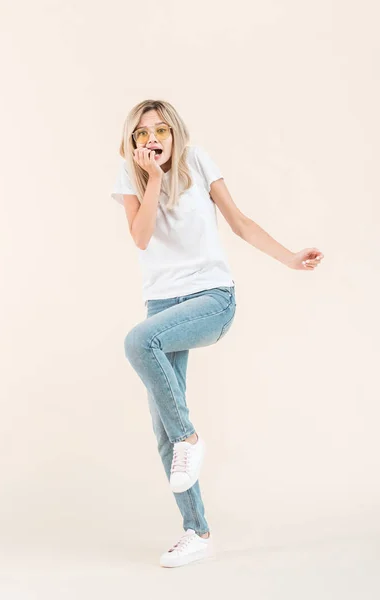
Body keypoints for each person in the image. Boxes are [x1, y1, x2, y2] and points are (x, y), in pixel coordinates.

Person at [110, 99, 324, 568]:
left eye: (162, 130)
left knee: (136, 343)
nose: (154, 139)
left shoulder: (199, 160)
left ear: (175, 133)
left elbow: (240, 223)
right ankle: (196, 531)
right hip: (162, 305)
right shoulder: (132, 177)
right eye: (143, 133)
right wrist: (153, 182)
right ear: (133, 142)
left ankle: (191, 441)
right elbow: (141, 237)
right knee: (162, 430)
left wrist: (289, 258)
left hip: (211, 298)